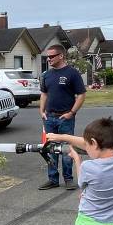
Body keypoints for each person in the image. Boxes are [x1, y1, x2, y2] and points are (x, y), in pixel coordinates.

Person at [38, 44, 86, 189]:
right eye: (47, 57)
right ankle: (52, 179)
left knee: (66, 149)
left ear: (61, 56)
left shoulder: (72, 73)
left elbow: (81, 95)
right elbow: (44, 94)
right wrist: (42, 111)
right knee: (51, 150)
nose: (49, 59)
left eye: (52, 56)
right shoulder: (46, 75)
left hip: (65, 118)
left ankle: (68, 179)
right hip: (49, 118)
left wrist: (71, 113)